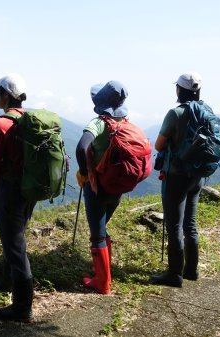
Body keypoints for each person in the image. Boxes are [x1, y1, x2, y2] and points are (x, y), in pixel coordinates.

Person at [0, 73, 36, 322]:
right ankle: (5, 281)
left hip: (8, 191)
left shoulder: (1, 124)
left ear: (5, 95)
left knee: (16, 248)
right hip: (28, 190)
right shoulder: (30, 121)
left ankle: (22, 307)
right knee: (14, 239)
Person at [151, 72, 205, 287]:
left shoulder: (176, 113)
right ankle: (191, 270)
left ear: (179, 90)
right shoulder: (205, 111)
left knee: (174, 225)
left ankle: (175, 274)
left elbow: (159, 145)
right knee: (190, 222)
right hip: (197, 174)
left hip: (176, 175)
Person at [75, 81, 129, 295]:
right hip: (117, 186)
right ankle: (103, 271)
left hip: (98, 186)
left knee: (97, 234)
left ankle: (102, 283)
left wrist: (84, 172)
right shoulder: (125, 122)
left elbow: (82, 147)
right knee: (102, 228)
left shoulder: (99, 123)